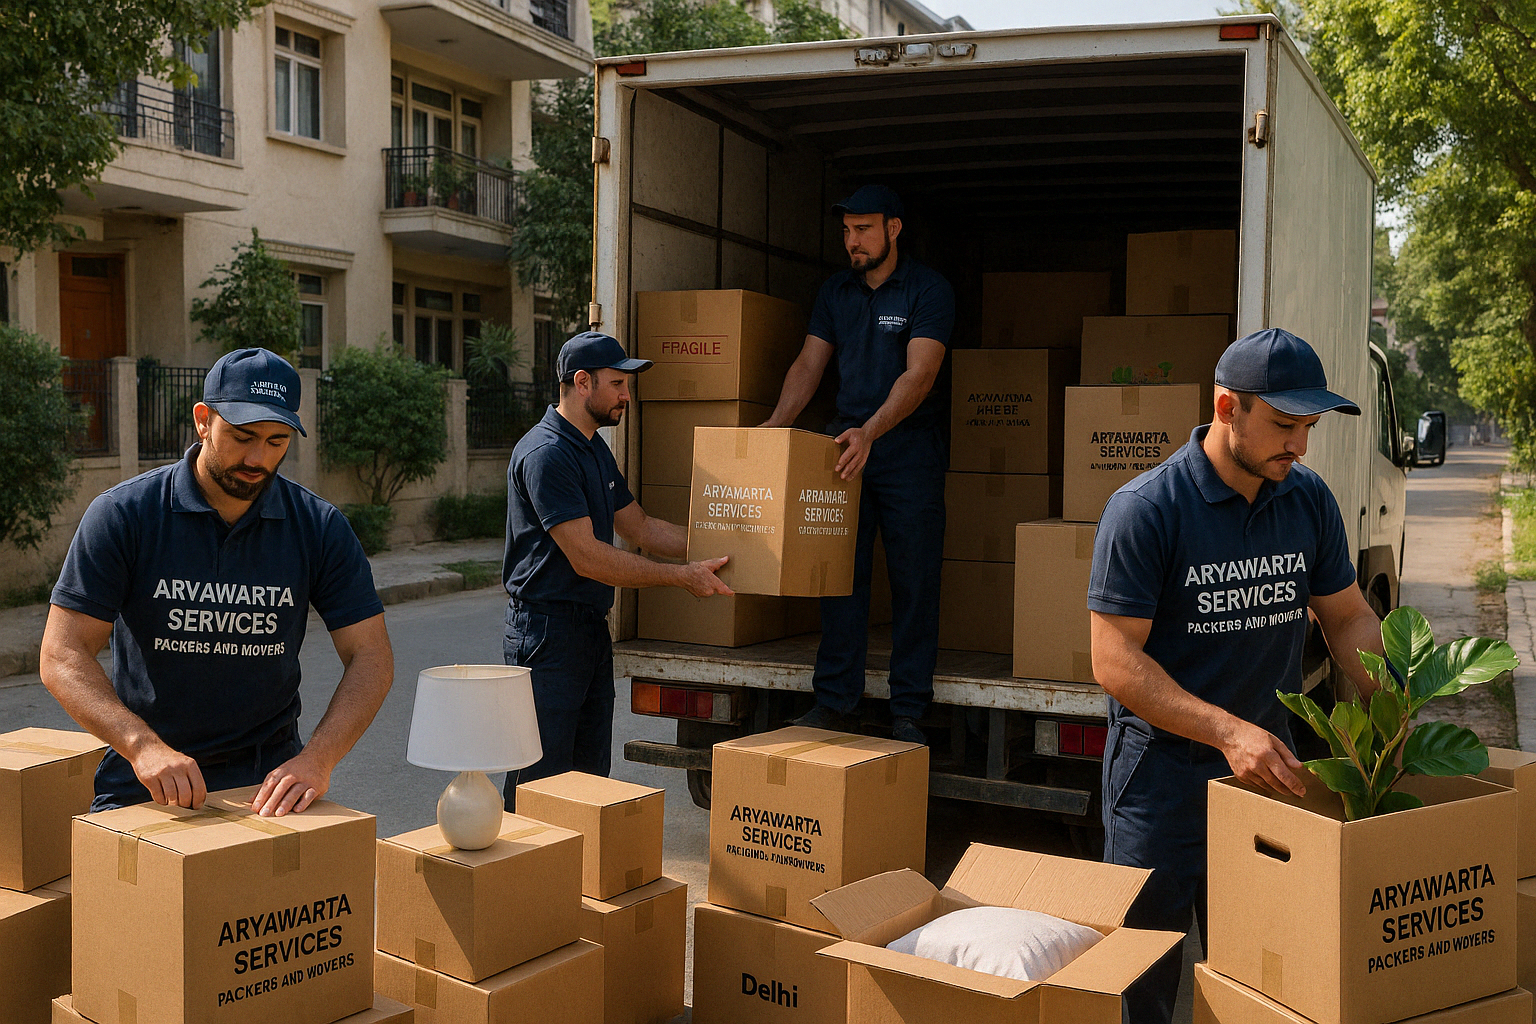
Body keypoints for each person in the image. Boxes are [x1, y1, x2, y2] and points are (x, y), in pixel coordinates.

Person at [1087, 329, 1388, 1024]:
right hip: (1160, 783)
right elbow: (1114, 659)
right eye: (1284, 425)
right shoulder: (1147, 510)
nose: (1300, 445)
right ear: (1228, 407)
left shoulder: (1307, 500)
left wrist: (1395, 700)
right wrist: (1227, 732)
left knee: (1260, 974)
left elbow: (1346, 616)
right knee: (1141, 981)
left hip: (1265, 775)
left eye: (1309, 427)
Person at [40, 347, 394, 816]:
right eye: (242, 436)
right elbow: (61, 654)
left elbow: (371, 656)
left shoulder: (319, 527)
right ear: (203, 421)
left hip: (268, 786)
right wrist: (141, 746)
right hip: (146, 779)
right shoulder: (125, 515)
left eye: (276, 441)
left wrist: (318, 759)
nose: (257, 457)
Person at [502, 331, 732, 805]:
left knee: (589, 782)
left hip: (588, 631)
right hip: (546, 636)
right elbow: (588, 558)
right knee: (538, 783)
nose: (627, 395)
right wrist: (680, 577)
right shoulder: (547, 454)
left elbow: (641, 526)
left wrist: (732, 547)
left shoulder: (592, 447)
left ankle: (579, 858)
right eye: (618, 384)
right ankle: (523, 857)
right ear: (582, 382)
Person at [762, 184, 953, 746]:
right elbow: (809, 363)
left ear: (894, 228)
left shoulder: (927, 290)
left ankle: (909, 709)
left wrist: (872, 431)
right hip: (844, 449)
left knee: (914, 579)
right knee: (839, 577)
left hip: (908, 452)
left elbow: (921, 373)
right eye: (847, 231)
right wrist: (776, 424)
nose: (853, 241)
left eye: (863, 229)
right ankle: (835, 701)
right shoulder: (836, 292)